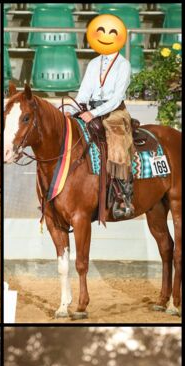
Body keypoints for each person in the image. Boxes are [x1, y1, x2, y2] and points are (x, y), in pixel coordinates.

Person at [76, 19, 135, 218]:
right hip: (90, 109)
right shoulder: (93, 63)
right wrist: (74, 108)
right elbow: (84, 92)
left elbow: (117, 97)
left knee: (117, 140)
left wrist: (94, 113)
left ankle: (122, 195)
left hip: (114, 111)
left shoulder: (123, 65)